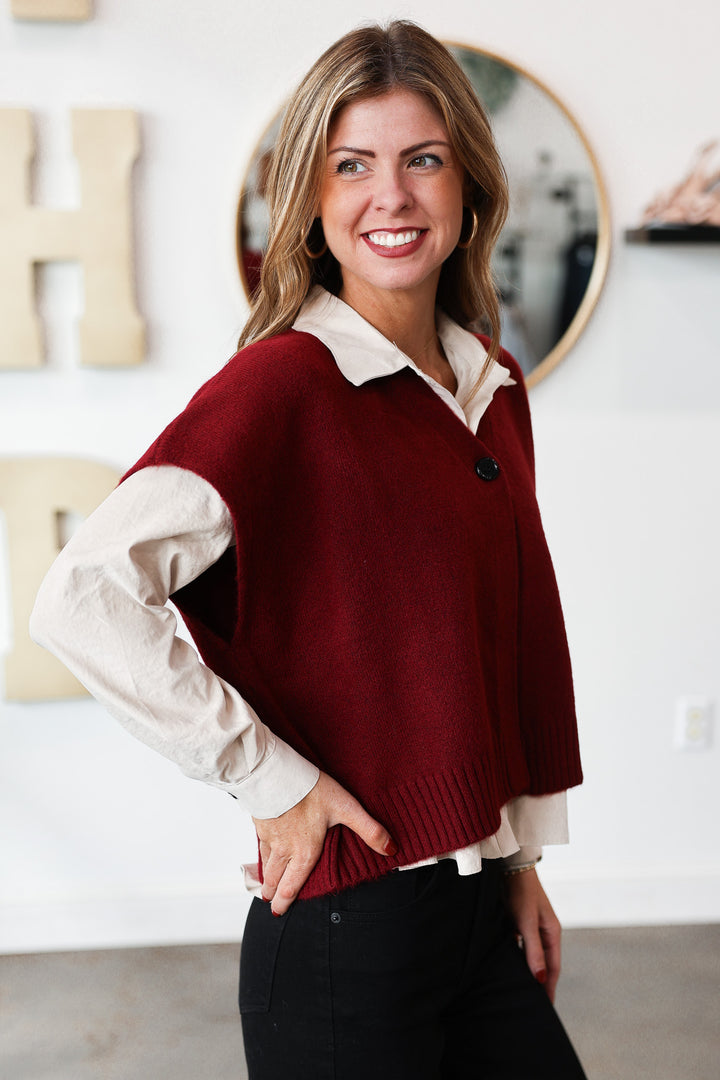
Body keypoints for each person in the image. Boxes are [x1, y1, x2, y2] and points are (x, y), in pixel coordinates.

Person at [31, 21, 587, 1080]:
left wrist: (519, 862)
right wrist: (270, 780)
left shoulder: (492, 388)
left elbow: (494, 645)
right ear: (313, 205)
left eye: (423, 159)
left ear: (468, 187)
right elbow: (83, 596)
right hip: (348, 935)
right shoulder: (281, 388)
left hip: (477, 907)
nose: (393, 196)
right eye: (352, 166)